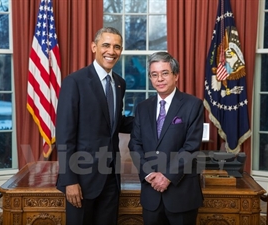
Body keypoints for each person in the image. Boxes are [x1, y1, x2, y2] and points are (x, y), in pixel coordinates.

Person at [56, 27, 133, 225]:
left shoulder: (119, 83)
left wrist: (156, 118)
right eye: (106, 45)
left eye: (117, 47)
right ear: (94, 47)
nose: (111, 51)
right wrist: (69, 180)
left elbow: (115, 123)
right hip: (81, 179)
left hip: (110, 179)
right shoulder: (75, 82)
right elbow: (65, 135)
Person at [129, 52, 204, 225]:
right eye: (154, 75)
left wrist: (168, 176)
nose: (159, 79)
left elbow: (191, 147)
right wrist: (149, 174)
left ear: (176, 75)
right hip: (151, 195)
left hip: (182, 195)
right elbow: (135, 145)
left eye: (165, 73)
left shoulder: (193, 105)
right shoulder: (142, 108)